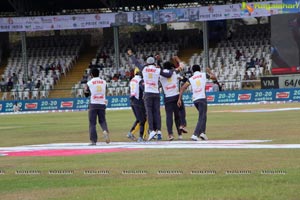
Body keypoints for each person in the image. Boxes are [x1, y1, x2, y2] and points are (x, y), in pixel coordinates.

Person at [177, 65, 216, 141]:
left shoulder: (191, 78)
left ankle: (203, 133)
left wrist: (179, 99)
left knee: (203, 115)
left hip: (195, 100)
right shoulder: (204, 75)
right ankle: (195, 134)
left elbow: (182, 88)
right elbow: (214, 78)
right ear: (200, 69)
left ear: (192, 71)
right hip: (202, 98)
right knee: (202, 116)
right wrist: (209, 71)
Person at [142, 56, 173, 141]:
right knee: (157, 112)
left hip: (148, 93)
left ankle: (152, 130)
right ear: (154, 62)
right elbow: (168, 75)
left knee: (149, 112)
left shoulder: (144, 69)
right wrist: (172, 69)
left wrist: (131, 56)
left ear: (147, 63)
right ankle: (159, 131)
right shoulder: (157, 69)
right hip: (156, 93)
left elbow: (136, 63)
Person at [84, 68, 110, 145]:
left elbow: (86, 94)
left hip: (93, 104)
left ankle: (93, 140)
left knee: (92, 123)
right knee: (102, 121)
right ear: (99, 74)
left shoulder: (89, 83)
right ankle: (105, 130)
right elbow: (106, 91)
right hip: (102, 103)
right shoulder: (104, 82)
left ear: (91, 74)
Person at [160, 61, 182, 140]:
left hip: (167, 97)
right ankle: (180, 134)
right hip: (176, 96)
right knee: (177, 116)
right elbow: (181, 67)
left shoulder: (161, 74)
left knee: (169, 116)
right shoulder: (174, 72)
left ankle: (170, 134)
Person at [127, 68, 147, 142]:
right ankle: (140, 137)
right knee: (143, 119)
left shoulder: (132, 80)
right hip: (139, 101)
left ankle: (131, 133)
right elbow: (144, 89)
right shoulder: (140, 80)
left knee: (139, 119)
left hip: (132, 101)